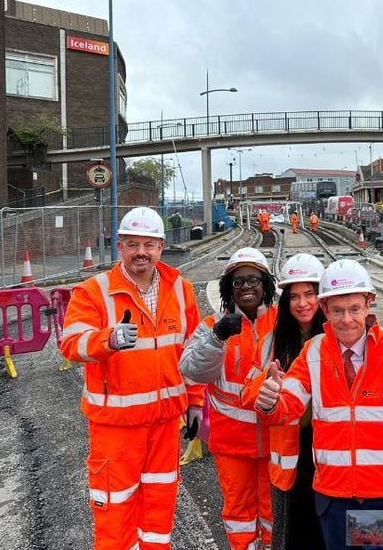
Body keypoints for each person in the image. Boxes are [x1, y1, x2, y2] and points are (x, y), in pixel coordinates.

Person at [60, 206, 203, 550]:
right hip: (116, 428)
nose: (142, 252)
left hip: (165, 425)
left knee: (159, 509)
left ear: (161, 246)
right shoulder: (94, 292)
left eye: (149, 244)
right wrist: (106, 340)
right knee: (115, 511)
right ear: (120, 246)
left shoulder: (181, 289)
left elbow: (193, 354)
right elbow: (70, 344)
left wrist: (195, 402)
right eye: (133, 244)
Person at [254, 259, 383, 550]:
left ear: (369, 304)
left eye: (355, 309)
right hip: (333, 496)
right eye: (338, 311)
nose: (347, 320)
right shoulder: (313, 350)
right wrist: (269, 403)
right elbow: (288, 405)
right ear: (325, 309)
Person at [179, 248, 278, 550]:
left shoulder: (282, 321)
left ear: (266, 285)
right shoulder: (212, 327)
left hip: (275, 442)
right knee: (239, 512)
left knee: (273, 512)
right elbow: (192, 369)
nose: (246, 286)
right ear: (228, 289)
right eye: (238, 282)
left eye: (253, 280)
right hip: (233, 446)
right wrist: (217, 338)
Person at [241, 253, 328, 550]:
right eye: (294, 297)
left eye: (310, 294)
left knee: (331, 531)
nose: (302, 303)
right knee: (294, 533)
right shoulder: (272, 341)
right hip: (291, 453)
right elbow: (250, 392)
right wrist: (266, 393)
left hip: (330, 447)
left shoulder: (338, 335)